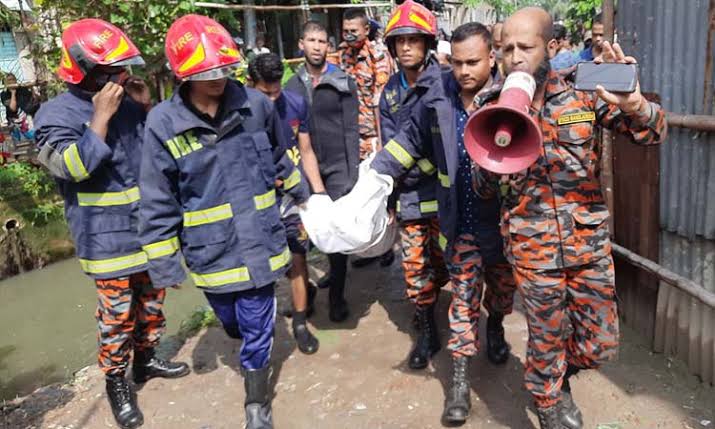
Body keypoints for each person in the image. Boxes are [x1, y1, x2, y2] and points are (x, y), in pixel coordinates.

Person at [480, 7, 667, 428]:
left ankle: (559, 372)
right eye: (505, 48)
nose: (514, 56)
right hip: (532, 248)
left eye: (524, 47)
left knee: (600, 344)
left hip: (588, 243)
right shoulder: (491, 106)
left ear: (550, 47)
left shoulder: (583, 92)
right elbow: (483, 190)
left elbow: (652, 133)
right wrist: (493, 155)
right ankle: (549, 403)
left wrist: (635, 103)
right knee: (545, 337)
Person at [139, 15, 310, 429]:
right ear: (185, 75)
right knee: (229, 318)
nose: (217, 79)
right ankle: (241, 336)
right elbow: (157, 195)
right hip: (210, 250)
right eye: (207, 73)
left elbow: (275, 153)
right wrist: (163, 263)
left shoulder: (254, 106)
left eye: (223, 70)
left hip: (261, 240)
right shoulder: (163, 123)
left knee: (256, 323)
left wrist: (301, 193)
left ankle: (256, 402)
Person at [33, 19, 190, 429]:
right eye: (114, 71)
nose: (123, 76)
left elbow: (153, 159)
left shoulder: (128, 104)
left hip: (146, 229)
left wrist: (142, 107)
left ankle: (147, 360)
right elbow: (74, 167)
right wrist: (100, 117)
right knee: (117, 316)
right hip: (105, 239)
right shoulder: (54, 114)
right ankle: (116, 382)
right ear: (88, 72)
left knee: (152, 304)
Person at [368, 22, 517, 425]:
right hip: (461, 223)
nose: (465, 71)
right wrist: (375, 178)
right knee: (463, 305)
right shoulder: (438, 96)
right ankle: (459, 386)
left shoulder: (513, 97)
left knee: (503, 292)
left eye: (474, 62)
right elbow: (408, 141)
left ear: (492, 57)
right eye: (458, 63)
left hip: (504, 227)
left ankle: (498, 327)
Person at [379, 0, 449, 371]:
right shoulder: (389, 94)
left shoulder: (447, 83)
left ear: (427, 43)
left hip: (447, 194)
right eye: (399, 41)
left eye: (413, 40)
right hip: (409, 196)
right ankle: (426, 329)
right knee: (415, 266)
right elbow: (389, 146)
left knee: (447, 263)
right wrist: (390, 197)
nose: (406, 47)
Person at [285, 20, 360, 323]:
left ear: (329, 46)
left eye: (322, 41)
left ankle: (337, 296)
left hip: (339, 165)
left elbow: (352, 128)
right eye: (311, 41)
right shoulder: (291, 86)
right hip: (306, 166)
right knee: (307, 229)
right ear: (300, 45)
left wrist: (352, 170)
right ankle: (308, 291)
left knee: (338, 230)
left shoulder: (343, 80)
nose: (317, 47)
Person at [248, 52, 322, 354]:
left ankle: (301, 322)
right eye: (265, 93)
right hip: (256, 197)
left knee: (298, 257)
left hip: (292, 193)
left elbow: (306, 151)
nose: (272, 99)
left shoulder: (295, 103)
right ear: (250, 83)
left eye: (276, 90)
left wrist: (316, 193)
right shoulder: (238, 110)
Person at [334, 8, 395, 269]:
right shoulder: (341, 54)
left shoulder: (378, 55)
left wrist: (382, 143)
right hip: (349, 136)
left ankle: (385, 247)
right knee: (357, 195)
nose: (348, 35)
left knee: (377, 193)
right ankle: (367, 248)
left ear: (366, 30)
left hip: (373, 137)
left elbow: (382, 103)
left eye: (353, 31)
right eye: (345, 30)